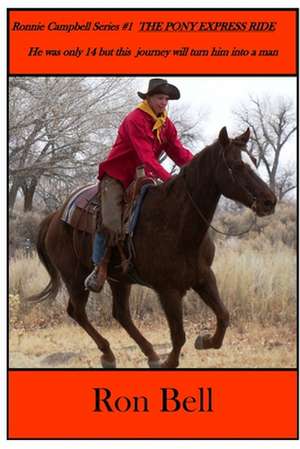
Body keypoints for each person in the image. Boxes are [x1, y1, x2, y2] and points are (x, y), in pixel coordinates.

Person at [84, 78, 194, 292]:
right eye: (160, 98)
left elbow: (178, 152)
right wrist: (170, 180)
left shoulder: (165, 124)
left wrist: (198, 166)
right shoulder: (135, 119)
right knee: (111, 221)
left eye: (167, 99)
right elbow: (146, 157)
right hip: (117, 175)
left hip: (141, 175)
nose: (164, 102)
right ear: (149, 98)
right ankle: (100, 266)